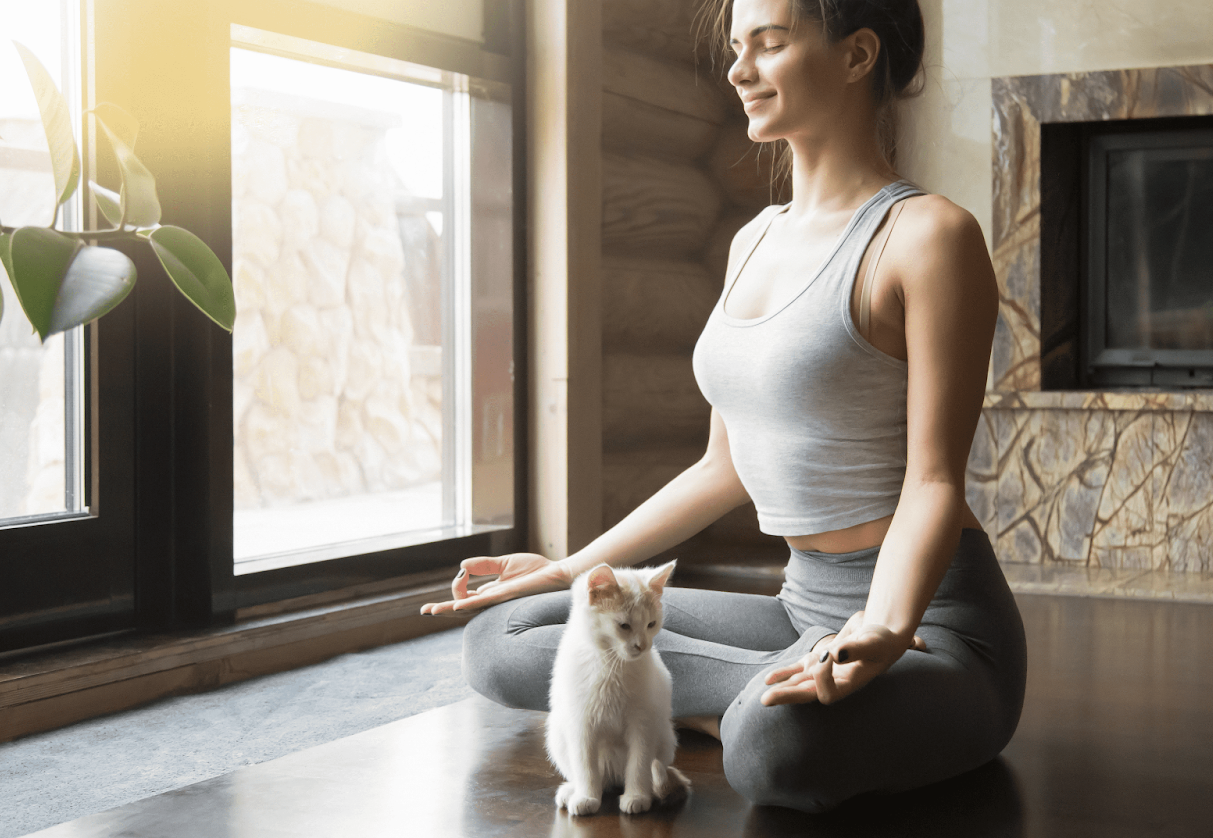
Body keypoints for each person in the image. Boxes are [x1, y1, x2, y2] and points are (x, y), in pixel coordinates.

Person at [420, 0, 1027, 813]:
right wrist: (566, 569)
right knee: (507, 635)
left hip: (933, 627)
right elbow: (723, 466)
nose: (739, 71)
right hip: (798, 607)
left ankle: (734, 706)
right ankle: (743, 694)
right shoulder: (754, 241)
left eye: (769, 45)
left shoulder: (927, 237)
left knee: (773, 747)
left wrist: (882, 626)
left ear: (857, 56)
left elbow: (934, 482)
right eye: (737, 47)